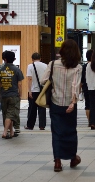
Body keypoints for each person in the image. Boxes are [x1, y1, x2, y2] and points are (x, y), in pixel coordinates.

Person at [41, 40, 82, 172]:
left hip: (55, 102)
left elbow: (43, 80)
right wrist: (73, 103)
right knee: (71, 131)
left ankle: (57, 161)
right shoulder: (78, 67)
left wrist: (54, 82)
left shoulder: (53, 64)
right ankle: (72, 158)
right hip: (70, 104)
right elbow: (75, 85)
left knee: (57, 132)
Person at [0, 50, 24, 139]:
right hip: (13, 95)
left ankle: (11, 132)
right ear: (14, 59)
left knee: (5, 113)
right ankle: (5, 132)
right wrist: (20, 94)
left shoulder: (1, 70)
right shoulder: (17, 70)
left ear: (5, 59)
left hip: (3, 95)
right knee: (11, 114)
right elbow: (19, 84)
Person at [25, 52, 47, 130]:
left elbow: (29, 79)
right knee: (42, 108)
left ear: (32, 59)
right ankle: (42, 125)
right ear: (40, 58)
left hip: (34, 90)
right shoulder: (45, 66)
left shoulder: (30, 66)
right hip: (42, 90)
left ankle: (30, 125)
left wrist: (29, 90)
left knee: (32, 109)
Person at [81, 49, 93, 124]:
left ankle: (89, 121)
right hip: (94, 87)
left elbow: (82, 79)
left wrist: (79, 89)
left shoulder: (84, 67)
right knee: (94, 104)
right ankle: (94, 121)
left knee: (87, 104)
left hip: (85, 87)